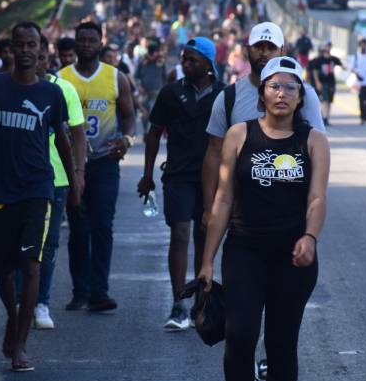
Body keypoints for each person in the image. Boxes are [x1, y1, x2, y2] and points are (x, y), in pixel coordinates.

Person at [199, 56, 329, 381]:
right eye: (274, 86)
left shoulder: (313, 141)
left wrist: (310, 237)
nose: (282, 94)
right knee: (239, 336)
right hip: (245, 250)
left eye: (291, 88)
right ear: (261, 95)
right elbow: (222, 198)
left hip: (293, 256)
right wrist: (206, 261)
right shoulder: (239, 135)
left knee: (280, 343)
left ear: (301, 99)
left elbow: (318, 197)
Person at [0, 22, 79, 372]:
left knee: (32, 266)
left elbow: (63, 141)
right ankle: (14, 315)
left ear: (42, 51)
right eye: (19, 44)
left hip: (38, 189)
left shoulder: (51, 94)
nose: (25, 50)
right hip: (0, 191)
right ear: (11, 49)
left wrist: (74, 183)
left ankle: (21, 345)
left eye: (32, 45)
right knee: (2, 270)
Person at [202, 22, 325, 228]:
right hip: (240, 211)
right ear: (247, 49)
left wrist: (312, 210)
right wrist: (209, 208)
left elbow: (317, 154)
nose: (264, 53)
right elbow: (214, 153)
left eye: (271, 48)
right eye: (258, 47)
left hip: (290, 210)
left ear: (282, 51)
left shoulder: (305, 95)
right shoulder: (228, 97)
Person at [138, 37, 224, 331]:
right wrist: (147, 174)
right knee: (180, 232)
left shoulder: (224, 96)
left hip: (212, 180)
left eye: (192, 60)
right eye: (184, 59)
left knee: (204, 236)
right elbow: (153, 133)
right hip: (178, 176)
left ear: (208, 64)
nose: (185, 65)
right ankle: (178, 303)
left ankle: (200, 298)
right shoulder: (171, 93)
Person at [59, 21, 136, 312]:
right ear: (75, 44)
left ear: (101, 43)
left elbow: (128, 117)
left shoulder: (116, 78)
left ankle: (99, 291)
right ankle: (80, 290)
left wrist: (126, 139)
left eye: (92, 40)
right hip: (72, 162)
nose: (87, 44)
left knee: (102, 226)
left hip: (105, 162)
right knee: (78, 227)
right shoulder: (62, 78)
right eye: (82, 40)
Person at [28, 35, 88, 329]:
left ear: (46, 59)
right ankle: (19, 297)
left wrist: (78, 174)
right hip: (20, 177)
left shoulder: (64, 89)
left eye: (40, 57)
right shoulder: (8, 89)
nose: (35, 62)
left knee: (49, 243)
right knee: (20, 241)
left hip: (57, 178)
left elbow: (77, 135)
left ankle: (41, 303)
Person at [135, 42, 168, 136]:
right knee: (144, 113)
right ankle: (145, 131)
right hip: (144, 92)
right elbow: (136, 76)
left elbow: (165, 77)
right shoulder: (142, 62)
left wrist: (164, 90)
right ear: (152, 52)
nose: (158, 54)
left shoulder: (161, 62)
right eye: (156, 52)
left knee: (155, 113)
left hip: (156, 93)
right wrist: (139, 86)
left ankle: (152, 133)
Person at [307, 42, 343, 128]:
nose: (327, 50)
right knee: (324, 101)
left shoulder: (333, 59)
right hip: (323, 83)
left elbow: (341, 64)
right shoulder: (318, 60)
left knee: (329, 101)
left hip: (331, 82)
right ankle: (323, 118)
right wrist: (317, 82)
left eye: (329, 47)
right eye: (326, 48)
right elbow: (314, 72)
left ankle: (326, 118)